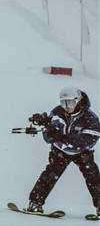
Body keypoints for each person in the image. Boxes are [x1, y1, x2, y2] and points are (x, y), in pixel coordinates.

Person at [25, 86, 100, 216]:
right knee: (50, 174)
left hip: (82, 152)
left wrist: (63, 138)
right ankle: (35, 203)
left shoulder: (90, 118)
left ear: (78, 101)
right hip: (60, 150)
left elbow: (88, 139)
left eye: (70, 103)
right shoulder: (57, 113)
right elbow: (48, 135)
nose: (66, 106)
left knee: (93, 176)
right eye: (63, 102)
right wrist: (50, 131)